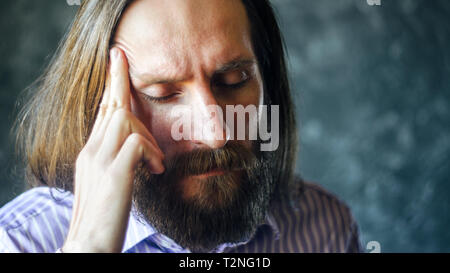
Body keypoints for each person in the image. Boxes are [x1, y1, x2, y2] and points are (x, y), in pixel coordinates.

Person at [0, 0, 361, 253]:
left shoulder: (326, 227)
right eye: (163, 94)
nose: (215, 134)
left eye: (234, 81)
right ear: (100, 107)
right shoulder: (17, 243)